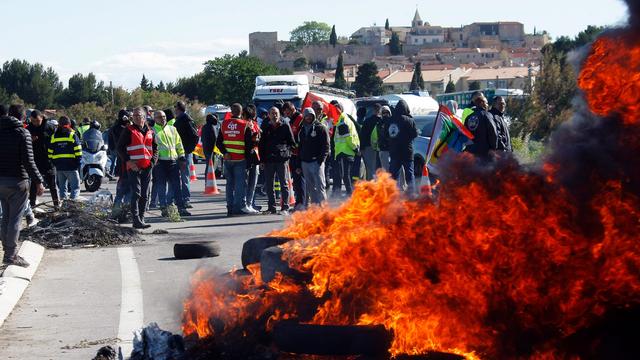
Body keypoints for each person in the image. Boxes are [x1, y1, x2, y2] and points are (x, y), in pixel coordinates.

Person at [0, 104, 45, 267]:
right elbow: (28, 161)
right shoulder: (22, 132)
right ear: (22, 117)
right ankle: (11, 255)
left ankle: (7, 250)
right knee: (15, 220)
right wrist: (39, 181)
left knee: (5, 217)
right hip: (18, 181)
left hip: (1, 181)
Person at [117, 107, 158, 229]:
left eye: (138, 115)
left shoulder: (151, 131)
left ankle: (141, 218)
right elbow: (120, 148)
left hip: (147, 167)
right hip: (133, 167)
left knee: (145, 194)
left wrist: (152, 162)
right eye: (134, 116)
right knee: (136, 193)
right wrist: (129, 162)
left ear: (144, 117)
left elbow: (155, 149)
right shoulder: (129, 130)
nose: (135, 117)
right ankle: (136, 220)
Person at [216, 103, 254, 216]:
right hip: (240, 160)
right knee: (239, 185)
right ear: (241, 112)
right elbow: (249, 146)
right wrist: (249, 161)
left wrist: (225, 152)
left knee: (229, 184)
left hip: (228, 160)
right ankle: (238, 208)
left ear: (231, 112)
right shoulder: (245, 125)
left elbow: (218, 142)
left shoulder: (224, 124)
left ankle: (229, 207)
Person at [152, 110, 191, 217]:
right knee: (161, 186)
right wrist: (154, 161)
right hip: (160, 163)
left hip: (173, 161)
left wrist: (182, 157)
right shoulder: (153, 131)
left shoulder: (172, 129)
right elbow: (151, 148)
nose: (163, 119)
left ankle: (181, 208)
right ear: (155, 119)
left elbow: (179, 144)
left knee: (176, 186)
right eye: (160, 117)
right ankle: (164, 208)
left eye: (164, 116)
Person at [259, 106, 296, 214]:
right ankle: (272, 207)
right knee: (269, 184)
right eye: (272, 113)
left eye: (276, 113)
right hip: (268, 159)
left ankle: (285, 207)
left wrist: (286, 153)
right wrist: (262, 160)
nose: (274, 115)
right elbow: (261, 144)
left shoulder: (285, 125)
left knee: (284, 184)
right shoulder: (265, 126)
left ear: (279, 115)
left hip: (281, 159)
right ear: (269, 115)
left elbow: (291, 143)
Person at [26, 109, 60, 210]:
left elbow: (56, 141)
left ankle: (56, 205)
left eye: (37, 121)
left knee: (52, 185)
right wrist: (30, 140)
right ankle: (32, 206)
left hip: (48, 160)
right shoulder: (29, 128)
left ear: (41, 118)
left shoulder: (50, 127)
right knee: (33, 185)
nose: (35, 123)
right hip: (35, 160)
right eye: (33, 121)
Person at [298, 107, 330, 206]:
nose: (308, 117)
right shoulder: (302, 129)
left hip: (317, 162)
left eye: (310, 115)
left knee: (320, 186)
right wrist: (301, 161)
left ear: (313, 116)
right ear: (304, 116)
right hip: (305, 162)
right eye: (306, 115)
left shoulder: (320, 127)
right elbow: (300, 146)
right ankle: (315, 209)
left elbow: (326, 146)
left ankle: (323, 208)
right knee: (310, 187)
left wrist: (321, 161)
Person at [387, 99, 419, 194]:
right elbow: (415, 134)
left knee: (393, 175)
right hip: (407, 152)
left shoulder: (390, 120)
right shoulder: (410, 120)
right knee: (409, 175)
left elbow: (385, 134)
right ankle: (411, 195)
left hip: (394, 152)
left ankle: (392, 195)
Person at [48, 116, 82, 200]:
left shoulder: (54, 136)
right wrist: (77, 164)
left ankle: (64, 207)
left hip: (59, 167)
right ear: (69, 124)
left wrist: (55, 163)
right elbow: (78, 152)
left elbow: (50, 152)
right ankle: (71, 206)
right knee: (75, 188)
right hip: (71, 167)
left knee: (62, 190)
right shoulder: (72, 135)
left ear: (59, 124)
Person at [173, 101, 199, 208]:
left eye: (175, 108)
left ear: (179, 109)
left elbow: (195, 136)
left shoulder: (187, 120)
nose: (174, 110)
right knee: (177, 177)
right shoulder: (179, 120)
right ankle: (179, 199)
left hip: (184, 153)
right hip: (177, 152)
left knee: (184, 176)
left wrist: (188, 150)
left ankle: (185, 199)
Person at [331, 102, 360, 197]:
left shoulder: (342, 121)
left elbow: (348, 137)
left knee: (345, 176)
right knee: (346, 176)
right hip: (346, 151)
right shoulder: (343, 119)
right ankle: (348, 196)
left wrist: (355, 148)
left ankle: (349, 196)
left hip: (344, 152)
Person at [282, 102, 306, 210]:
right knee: (296, 181)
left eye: (288, 111)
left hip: (300, 155)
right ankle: (299, 203)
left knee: (300, 180)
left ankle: (301, 204)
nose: (287, 113)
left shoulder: (300, 119)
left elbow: (300, 138)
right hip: (293, 154)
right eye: (286, 112)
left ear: (292, 109)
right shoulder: (291, 120)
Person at [110, 110, 132, 220]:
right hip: (125, 161)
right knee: (126, 188)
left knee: (123, 188)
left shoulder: (114, 128)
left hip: (122, 160)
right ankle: (123, 211)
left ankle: (118, 211)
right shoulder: (122, 129)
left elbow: (112, 147)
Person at [464, 93, 498, 159]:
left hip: (471, 154)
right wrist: (493, 149)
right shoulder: (487, 115)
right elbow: (493, 133)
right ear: (482, 103)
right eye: (486, 103)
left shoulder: (468, 118)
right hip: (484, 153)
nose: (488, 105)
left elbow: (465, 135)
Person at [243, 105, 261, 212]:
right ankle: (246, 204)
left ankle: (249, 204)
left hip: (254, 157)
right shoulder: (246, 125)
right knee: (247, 183)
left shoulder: (254, 125)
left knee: (252, 183)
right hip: (248, 158)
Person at [360, 104, 381, 180]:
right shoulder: (381, 121)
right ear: (380, 110)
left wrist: (362, 148)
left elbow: (362, 135)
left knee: (370, 168)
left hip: (369, 147)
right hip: (381, 147)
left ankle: (371, 185)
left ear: (373, 110)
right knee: (379, 167)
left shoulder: (367, 121)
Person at [200, 113, 218, 181]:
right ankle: (209, 183)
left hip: (206, 148)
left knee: (209, 165)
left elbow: (202, 138)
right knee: (210, 166)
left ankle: (208, 183)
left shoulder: (204, 127)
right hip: (210, 149)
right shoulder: (211, 127)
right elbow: (215, 139)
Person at [378, 105, 393, 171]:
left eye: (387, 112)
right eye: (384, 113)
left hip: (391, 149)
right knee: (386, 171)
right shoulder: (379, 124)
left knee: (397, 170)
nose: (385, 114)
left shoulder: (393, 122)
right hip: (384, 149)